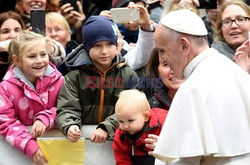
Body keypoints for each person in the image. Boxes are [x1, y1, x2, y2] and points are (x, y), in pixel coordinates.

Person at [152, 9, 250, 164]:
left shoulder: (192, 89)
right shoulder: (238, 73)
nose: (162, 58)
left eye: (163, 50)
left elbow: (184, 161)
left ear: (184, 46)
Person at [56, 15, 138, 144]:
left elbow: (133, 108)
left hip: (117, 142)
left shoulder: (128, 74)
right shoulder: (74, 76)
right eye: (97, 45)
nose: (104, 51)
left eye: (109, 44)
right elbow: (67, 108)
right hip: (83, 143)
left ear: (116, 45)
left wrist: (107, 127)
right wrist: (70, 125)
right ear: (87, 47)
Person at [0, 31, 64, 165]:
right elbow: (6, 123)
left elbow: (68, 108)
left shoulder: (59, 80)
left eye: (43, 54)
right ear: (17, 60)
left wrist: (45, 118)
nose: (39, 60)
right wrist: (28, 144)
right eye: (32, 56)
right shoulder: (5, 88)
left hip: (60, 152)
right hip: (21, 156)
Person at [112, 89, 168, 165]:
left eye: (130, 120)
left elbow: (180, 142)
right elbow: (122, 160)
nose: (125, 126)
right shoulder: (121, 135)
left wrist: (165, 145)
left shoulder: (164, 122)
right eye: (121, 121)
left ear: (146, 116)